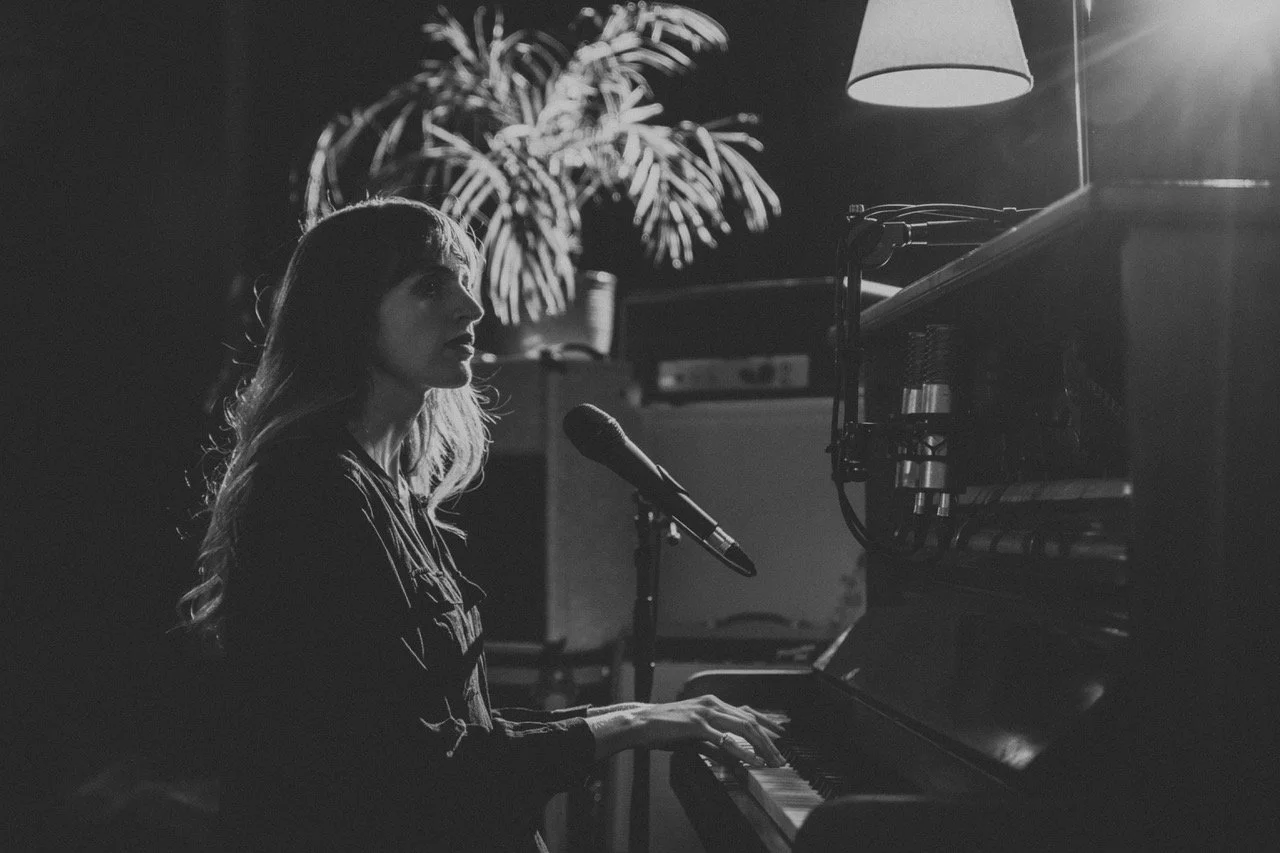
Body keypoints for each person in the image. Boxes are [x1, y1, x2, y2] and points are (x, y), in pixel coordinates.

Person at [177, 197, 785, 852]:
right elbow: (412, 772)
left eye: (464, 282)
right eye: (430, 287)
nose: (470, 307)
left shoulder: (393, 488)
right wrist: (633, 724)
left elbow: (458, 729)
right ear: (347, 313)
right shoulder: (313, 492)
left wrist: (638, 715)